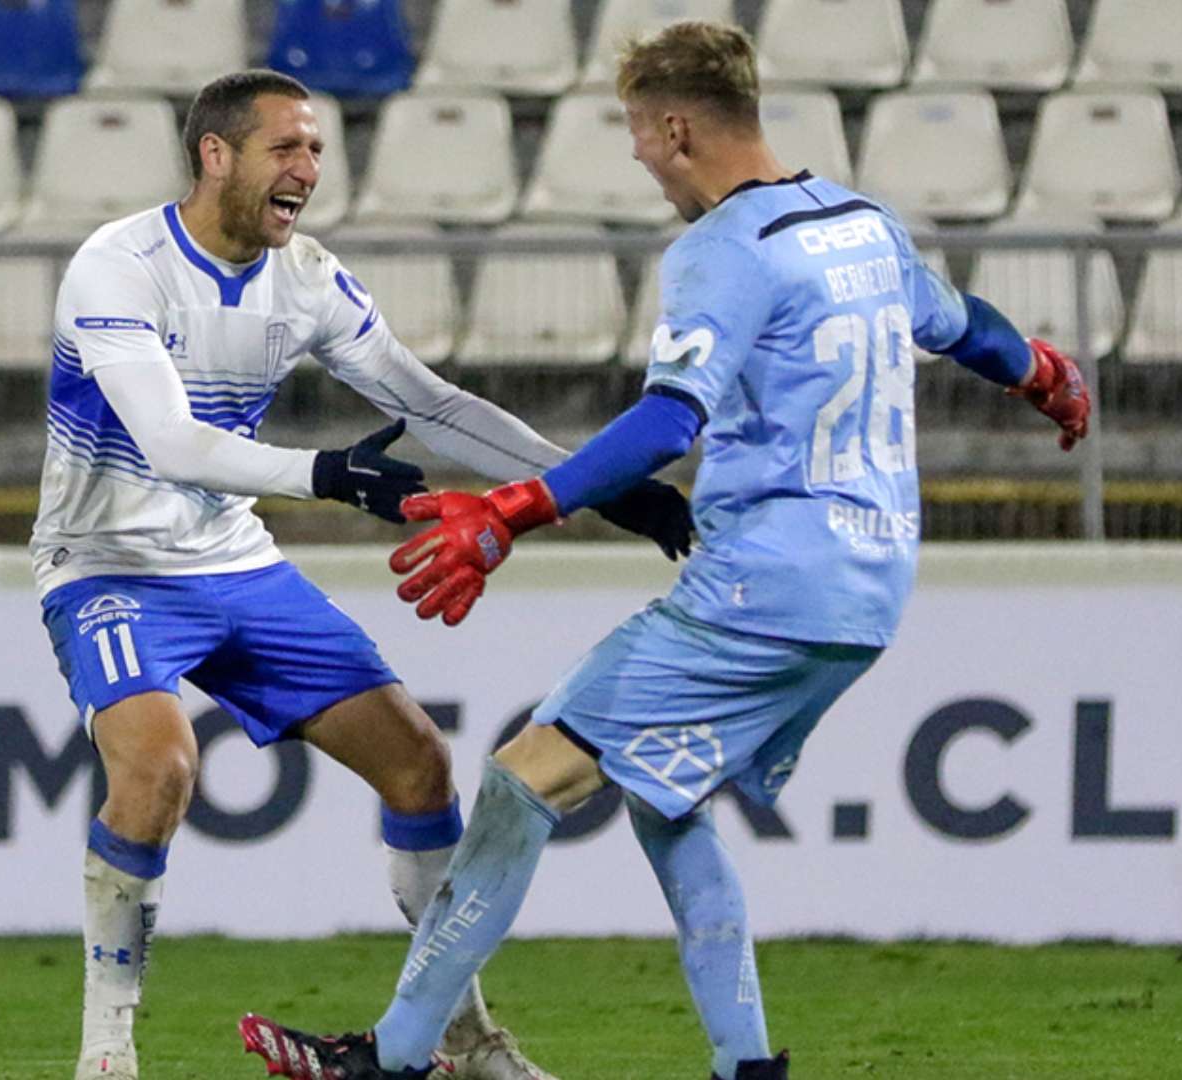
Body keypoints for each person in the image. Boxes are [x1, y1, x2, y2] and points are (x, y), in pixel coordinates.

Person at [237, 21, 1091, 1080]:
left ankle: (394, 1061)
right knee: (663, 797)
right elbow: (972, 329)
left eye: (641, 134)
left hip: (761, 584)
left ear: (678, 126)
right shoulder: (863, 227)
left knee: (520, 783)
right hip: (869, 587)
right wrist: (1048, 373)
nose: (641, 159)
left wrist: (513, 507)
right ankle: (748, 1068)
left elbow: (668, 424)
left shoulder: (724, 252)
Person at [35, 69, 693, 1080]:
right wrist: (331, 477)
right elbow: (169, 443)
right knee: (160, 767)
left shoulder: (303, 277)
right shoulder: (117, 266)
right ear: (216, 155)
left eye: (316, 152)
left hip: (237, 562)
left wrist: (593, 488)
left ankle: (464, 1043)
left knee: (419, 763)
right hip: (107, 566)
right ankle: (105, 1051)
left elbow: (431, 405)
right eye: (284, 150)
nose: (306, 171)